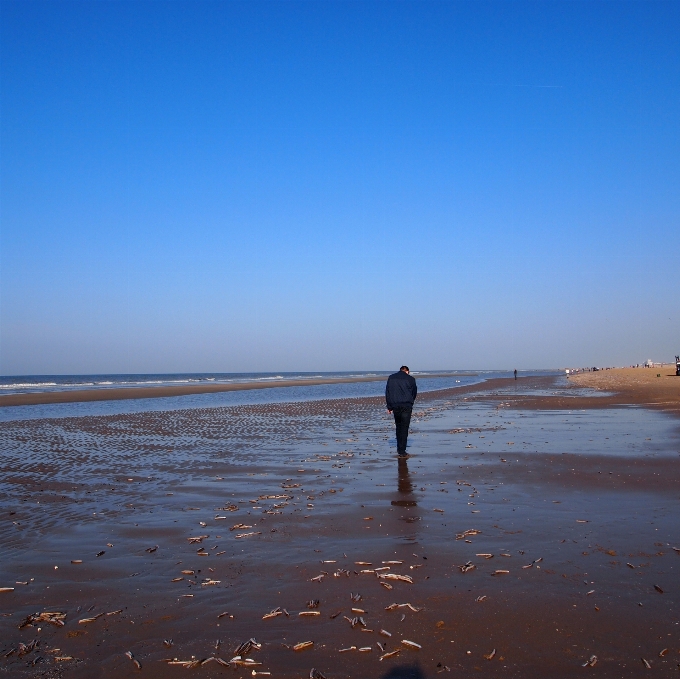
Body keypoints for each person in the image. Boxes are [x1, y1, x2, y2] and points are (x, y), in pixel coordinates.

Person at [385, 366, 418, 457]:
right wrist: (411, 402)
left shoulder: (391, 378)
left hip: (396, 405)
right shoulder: (410, 379)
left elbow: (388, 392)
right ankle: (402, 450)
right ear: (407, 371)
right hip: (406, 405)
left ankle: (400, 449)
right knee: (404, 427)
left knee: (398, 426)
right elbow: (414, 392)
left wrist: (389, 406)